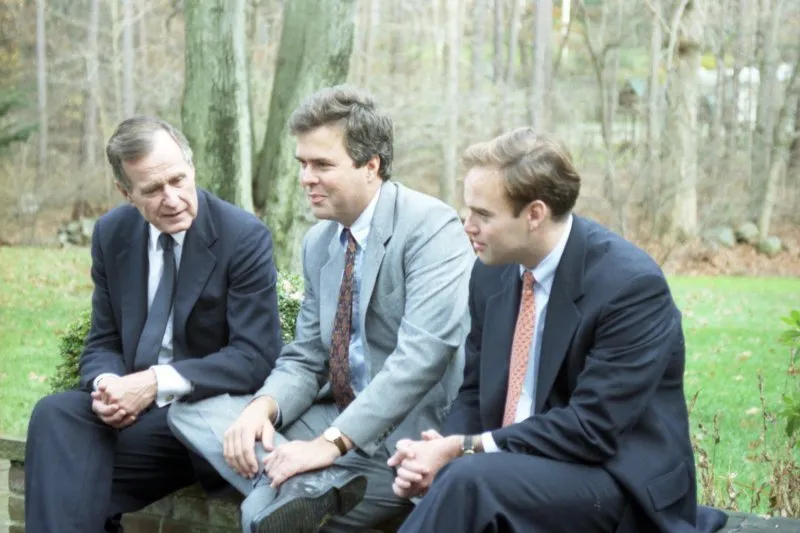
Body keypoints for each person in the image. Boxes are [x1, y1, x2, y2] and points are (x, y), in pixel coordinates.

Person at [388, 129, 729, 533]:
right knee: (458, 478)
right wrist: (438, 450)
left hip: (615, 481)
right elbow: (475, 391)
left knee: (468, 481)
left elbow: (592, 429)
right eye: (468, 210)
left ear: (534, 214)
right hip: (517, 467)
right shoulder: (490, 274)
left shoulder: (629, 286)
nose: (467, 225)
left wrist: (464, 449)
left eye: (483, 214)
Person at [167, 85, 475, 533]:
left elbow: (420, 360)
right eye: (302, 164)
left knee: (261, 516)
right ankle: (309, 483)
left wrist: (330, 444)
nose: (305, 177)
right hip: (331, 413)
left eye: (322, 165)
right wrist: (262, 409)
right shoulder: (320, 243)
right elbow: (308, 355)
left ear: (371, 166)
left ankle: (306, 484)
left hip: (406, 433)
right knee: (189, 411)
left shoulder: (430, 227)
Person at [24, 116, 283, 533]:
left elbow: (255, 357)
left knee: (67, 487)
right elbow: (103, 338)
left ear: (191, 167)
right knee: (55, 413)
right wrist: (107, 384)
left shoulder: (243, 236)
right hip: (129, 412)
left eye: (178, 180)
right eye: (152, 190)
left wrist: (153, 383)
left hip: (195, 413)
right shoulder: (113, 234)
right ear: (126, 193)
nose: (173, 198)